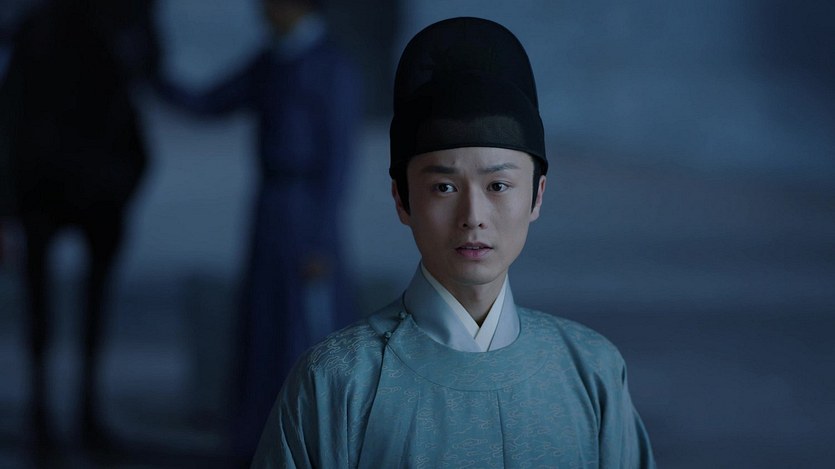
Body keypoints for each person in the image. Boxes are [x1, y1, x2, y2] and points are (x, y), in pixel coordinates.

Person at [252, 17, 655, 467]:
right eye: (444, 187)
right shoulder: (337, 379)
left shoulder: (593, 370)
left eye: (498, 186)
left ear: (537, 195)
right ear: (402, 200)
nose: (473, 216)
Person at [153, 0, 362, 459]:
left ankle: (314, 438)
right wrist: (153, 77)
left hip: (307, 208)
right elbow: (210, 102)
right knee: (264, 320)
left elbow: (338, 161)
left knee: (305, 320)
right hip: (270, 205)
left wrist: (320, 239)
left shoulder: (330, 67)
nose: (263, 9)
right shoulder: (270, 62)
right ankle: (258, 434)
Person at [2, 0, 157, 449]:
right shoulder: (46, 27)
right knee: (47, 308)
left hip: (80, 184)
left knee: (70, 305)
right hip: (51, 185)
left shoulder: (116, 19)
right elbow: (10, 115)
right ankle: (51, 413)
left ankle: (71, 412)